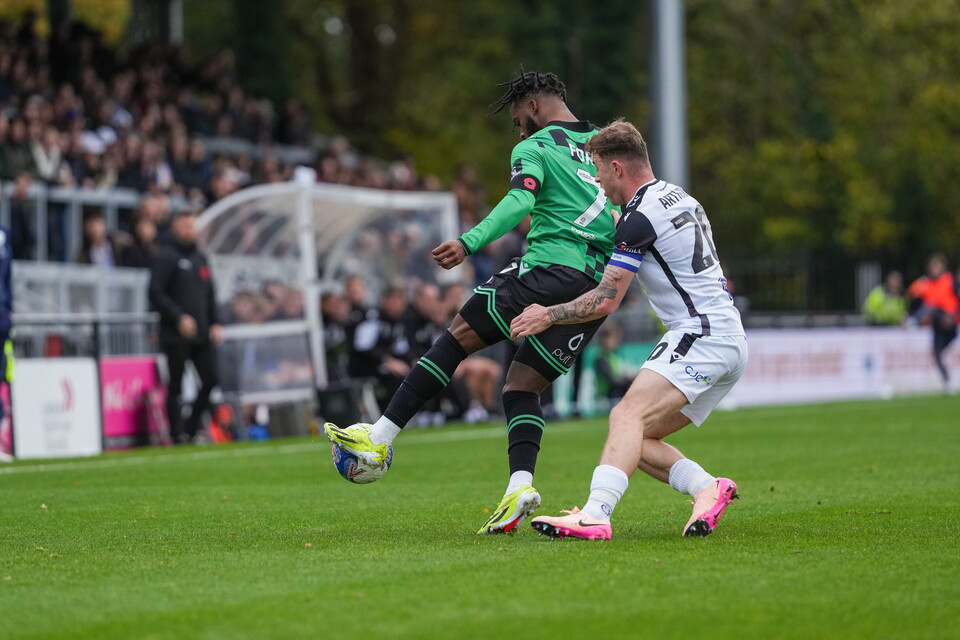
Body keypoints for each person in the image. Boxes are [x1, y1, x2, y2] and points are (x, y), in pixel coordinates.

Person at [325, 68, 618, 535]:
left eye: (519, 118)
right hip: (596, 287)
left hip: (547, 271)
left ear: (535, 107)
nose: (519, 129)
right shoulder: (610, 145)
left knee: (457, 337)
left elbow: (521, 201)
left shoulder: (534, 147)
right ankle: (519, 487)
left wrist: (469, 241)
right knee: (522, 387)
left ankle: (379, 438)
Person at [510, 119, 747, 540]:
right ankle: (707, 488)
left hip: (700, 334)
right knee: (633, 436)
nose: (599, 184)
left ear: (617, 167)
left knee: (625, 415)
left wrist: (547, 314)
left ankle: (596, 514)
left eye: (599, 172)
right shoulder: (680, 197)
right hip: (726, 337)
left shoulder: (638, 217)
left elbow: (605, 298)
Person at [148, 210, 224, 443]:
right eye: (185, 226)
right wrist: (178, 317)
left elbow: (210, 294)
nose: (189, 231)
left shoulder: (200, 258)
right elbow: (155, 293)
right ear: (175, 228)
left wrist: (216, 322)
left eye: (192, 226)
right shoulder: (166, 257)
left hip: (201, 334)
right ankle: (176, 435)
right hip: (175, 335)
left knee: (211, 379)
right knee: (176, 386)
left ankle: (190, 428)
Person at [907, 254, 958, 390]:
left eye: (937, 266)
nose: (935, 269)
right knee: (936, 353)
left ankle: (913, 322)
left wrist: (953, 316)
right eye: (933, 266)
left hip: (949, 319)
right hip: (936, 323)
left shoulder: (950, 281)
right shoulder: (924, 283)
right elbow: (912, 298)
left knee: (931, 307)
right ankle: (947, 381)